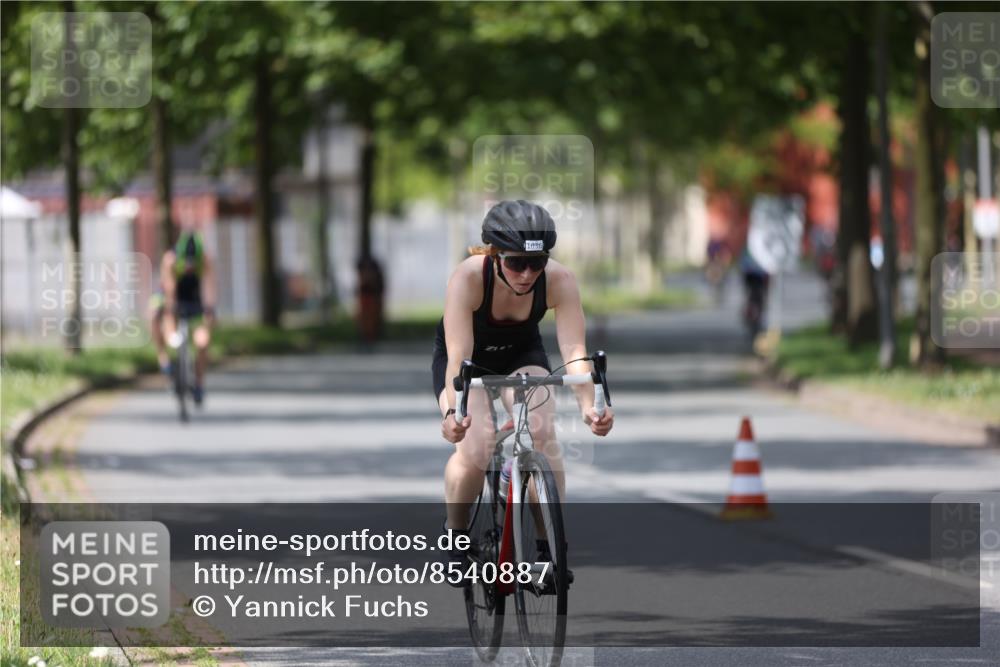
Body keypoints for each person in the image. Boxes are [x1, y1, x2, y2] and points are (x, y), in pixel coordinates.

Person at [433, 200, 614, 569]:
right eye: (516, 263)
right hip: (469, 360)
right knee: (476, 448)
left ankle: (549, 548)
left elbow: (574, 350)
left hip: (521, 354)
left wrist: (588, 406)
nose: (527, 274)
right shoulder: (468, 278)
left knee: (543, 433)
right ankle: (455, 537)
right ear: (494, 255)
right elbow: (458, 358)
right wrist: (454, 411)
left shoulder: (559, 280)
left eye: (537, 262)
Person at [154, 228, 216, 405]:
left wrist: (209, 310)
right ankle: (165, 361)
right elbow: (169, 290)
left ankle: (198, 383)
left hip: (195, 299)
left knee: (202, 342)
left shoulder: (205, 259)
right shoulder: (170, 260)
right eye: (186, 262)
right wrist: (170, 313)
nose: (189, 266)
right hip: (172, 295)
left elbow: (209, 286)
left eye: (192, 262)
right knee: (154, 316)